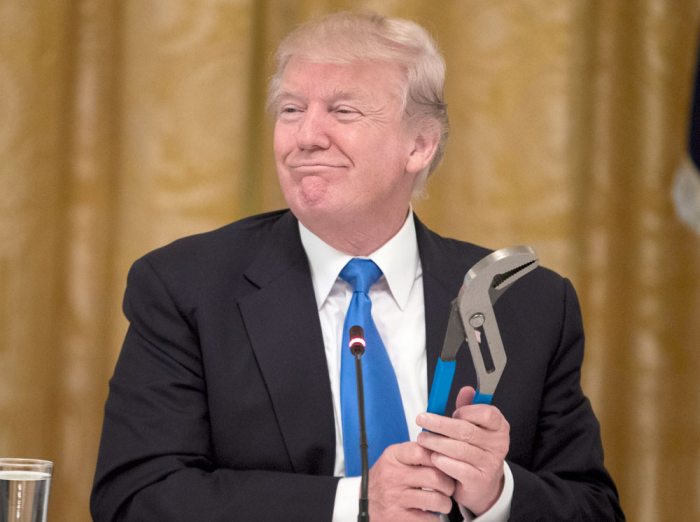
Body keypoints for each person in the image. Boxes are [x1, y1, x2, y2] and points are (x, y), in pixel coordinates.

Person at [91, 11, 624, 522]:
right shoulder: (186, 286)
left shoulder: (529, 304)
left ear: (419, 145)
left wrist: (496, 493)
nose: (306, 136)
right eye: (291, 109)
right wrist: (355, 505)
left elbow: (594, 507)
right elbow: (136, 497)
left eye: (343, 111)